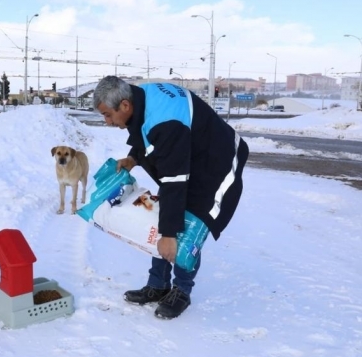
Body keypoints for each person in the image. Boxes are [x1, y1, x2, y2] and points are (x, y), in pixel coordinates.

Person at [93, 76, 249, 319]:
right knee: (165, 215)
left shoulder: (166, 123)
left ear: (124, 105)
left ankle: (182, 290)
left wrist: (168, 235)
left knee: (187, 228)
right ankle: (158, 285)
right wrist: (134, 157)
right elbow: (146, 131)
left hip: (217, 164)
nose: (107, 121)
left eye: (107, 115)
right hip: (191, 151)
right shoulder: (138, 96)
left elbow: (174, 179)